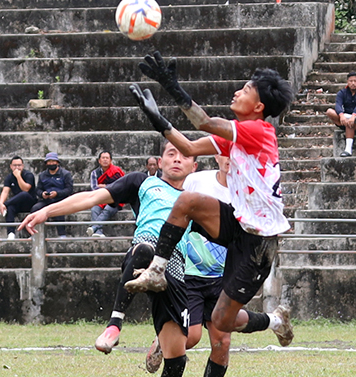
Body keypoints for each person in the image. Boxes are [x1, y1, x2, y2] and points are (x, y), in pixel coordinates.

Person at [18, 141, 198, 377]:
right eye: (171, 153)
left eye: (184, 155)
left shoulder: (197, 200)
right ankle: (114, 324)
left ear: (195, 166)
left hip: (176, 269)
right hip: (144, 255)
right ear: (160, 159)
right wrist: (46, 211)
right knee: (143, 249)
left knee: (178, 356)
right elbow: (92, 197)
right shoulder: (142, 182)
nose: (177, 159)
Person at [126, 52, 295, 347]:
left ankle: (276, 321)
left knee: (222, 321)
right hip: (239, 222)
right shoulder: (237, 134)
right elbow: (189, 147)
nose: (237, 92)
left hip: (259, 243)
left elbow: (203, 121)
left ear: (258, 106)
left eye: (245, 90)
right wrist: (159, 121)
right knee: (187, 201)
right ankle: (156, 271)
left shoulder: (258, 130)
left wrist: (172, 87)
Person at [144, 154, 292, 377]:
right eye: (225, 154)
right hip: (190, 273)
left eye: (235, 157)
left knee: (222, 340)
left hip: (223, 276)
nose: (229, 160)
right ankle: (161, 342)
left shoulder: (248, 190)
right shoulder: (196, 181)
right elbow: (173, 208)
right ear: (217, 155)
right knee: (191, 336)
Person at [0, 156, 37, 239]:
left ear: (23, 166)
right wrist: (1, 203)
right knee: (10, 208)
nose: (17, 167)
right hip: (18, 203)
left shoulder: (28, 175)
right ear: (11, 166)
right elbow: (5, 191)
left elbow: (25, 189)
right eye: (15, 165)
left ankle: (4, 204)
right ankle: (11, 233)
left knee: (24, 194)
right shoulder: (9, 177)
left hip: (30, 202)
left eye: (19, 165)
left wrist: (18, 176)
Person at [325, 72, 356, 157]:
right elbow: (338, 105)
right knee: (329, 111)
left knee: (351, 123)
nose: (353, 83)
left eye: (355, 81)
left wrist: (353, 116)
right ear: (347, 82)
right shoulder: (342, 92)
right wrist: (341, 115)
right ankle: (347, 118)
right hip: (344, 118)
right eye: (351, 81)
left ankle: (348, 150)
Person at [30, 152, 73, 237]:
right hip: (46, 200)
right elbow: (38, 189)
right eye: (49, 161)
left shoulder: (65, 174)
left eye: (53, 161)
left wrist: (57, 194)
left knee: (59, 210)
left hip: (60, 200)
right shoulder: (42, 175)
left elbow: (69, 189)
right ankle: (35, 233)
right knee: (35, 208)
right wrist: (42, 194)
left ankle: (62, 235)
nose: (51, 163)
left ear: (57, 162)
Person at [87, 151, 125, 237]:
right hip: (100, 198)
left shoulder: (116, 171)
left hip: (115, 199)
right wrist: (109, 187)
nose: (105, 160)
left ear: (111, 160)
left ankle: (94, 228)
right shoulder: (94, 173)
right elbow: (94, 188)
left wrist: (104, 186)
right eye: (103, 158)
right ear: (99, 161)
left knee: (107, 210)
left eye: (107, 158)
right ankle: (98, 232)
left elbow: (120, 187)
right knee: (94, 209)